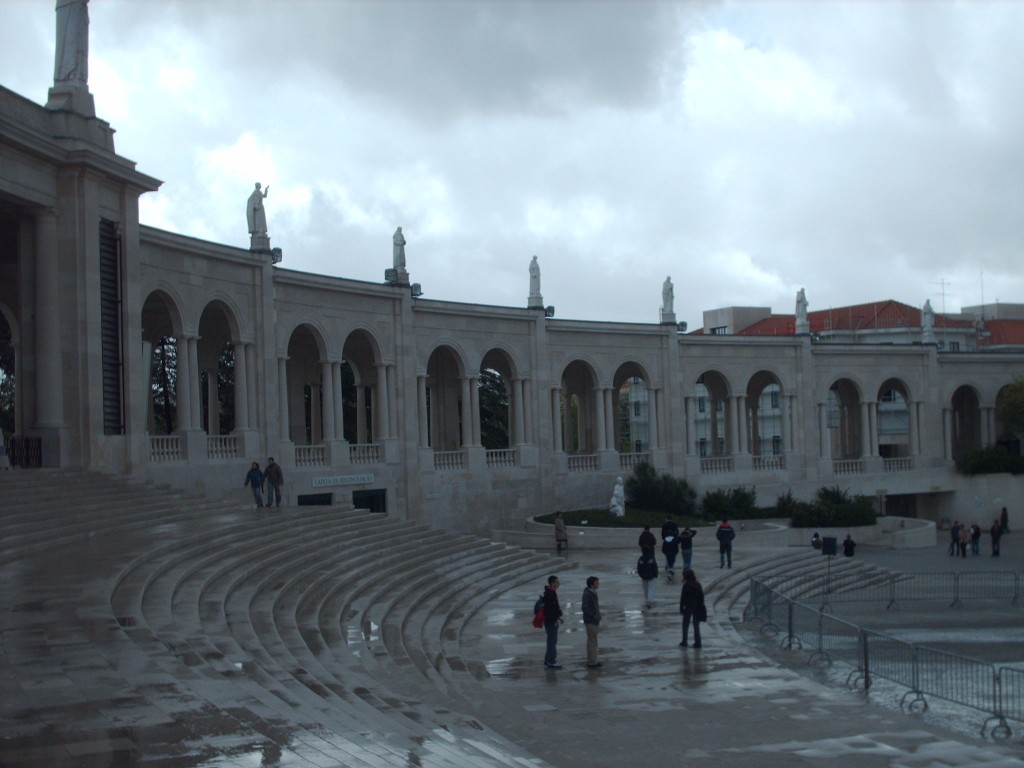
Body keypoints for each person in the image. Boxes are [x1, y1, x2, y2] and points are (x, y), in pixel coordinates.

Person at [679, 569, 705, 648]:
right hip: (697, 606)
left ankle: (684, 641)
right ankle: (698, 642)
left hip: (688, 607)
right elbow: (702, 597)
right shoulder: (698, 584)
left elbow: (683, 598)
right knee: (696, 625)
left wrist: (681, 607)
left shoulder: (686, 585)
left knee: (685, 624)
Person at [542, 575, 564, 669]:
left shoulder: (550, 593)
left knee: (551, 640)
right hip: (551, 622)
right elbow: (550, 610)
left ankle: (548, 659)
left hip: (551, 620)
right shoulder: (550, 594)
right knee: (552, 641)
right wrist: (555, 619)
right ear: (552, 583)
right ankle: (551, 661)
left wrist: (558, 617)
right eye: (557, 582)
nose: (559, 583)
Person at [581, 576, 602, 668]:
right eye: (596, 582)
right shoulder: (587, 594)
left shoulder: (593, 593)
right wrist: (593, 616)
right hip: (591, 620)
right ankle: (592, 661)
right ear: (592, 584)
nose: (598, 584)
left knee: (593, 640)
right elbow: (584, 608)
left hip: (594, 620)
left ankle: (593, 659)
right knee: (592, 641)